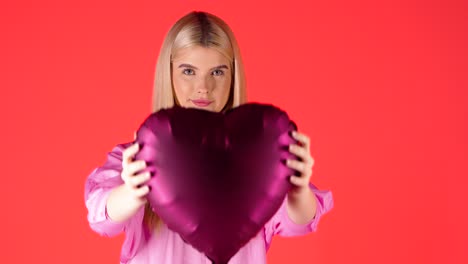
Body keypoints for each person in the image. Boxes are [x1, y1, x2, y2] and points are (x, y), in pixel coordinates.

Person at [84, 11, 333, 264]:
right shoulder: (134, 159)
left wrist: (298, 189)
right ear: (168, 73)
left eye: (217, 72)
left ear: (233, 76)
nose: (203, 86)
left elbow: (298, 223)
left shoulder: (259, 155)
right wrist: (133, 190)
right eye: (188, 71)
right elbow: (101, 217)